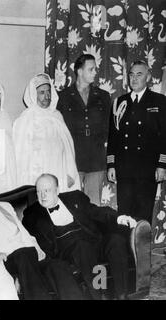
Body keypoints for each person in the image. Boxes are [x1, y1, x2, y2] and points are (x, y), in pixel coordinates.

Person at [0, 168, 84, 300]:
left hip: (28, 257)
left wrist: (39, 252)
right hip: (2, 261)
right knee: (24, 254)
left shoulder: (5, 206)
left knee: (57, 266)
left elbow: (23, 232)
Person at [23, 173, 137, 300]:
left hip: (92, 240)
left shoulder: (74, 197)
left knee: (116, 240)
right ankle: (100, 296)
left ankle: (122, 295)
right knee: (82, 247)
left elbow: (96, 211)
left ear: (57, 190)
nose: (42, 195)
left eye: (47, 190)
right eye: (39, 191)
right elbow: (29, 240)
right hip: (68, 253)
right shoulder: (32, 215)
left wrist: (119, 218)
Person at [107, 60, 166, 222]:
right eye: (131, 74)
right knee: (124, 214)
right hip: (124, 168)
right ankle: (123, 247)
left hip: (147, 168)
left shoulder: (159, 101)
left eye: (139, 74)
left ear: (148, 77)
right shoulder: (120, 102)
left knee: (143, 215)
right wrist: (111, 165)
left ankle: (141, 247)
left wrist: (162, 165)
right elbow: (113, 136)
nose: (134, 78)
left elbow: (164, 137)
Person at [57, 54, 112, 205]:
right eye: (91, 69)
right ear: (79, 71)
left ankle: (93, 230)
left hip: (96, 158)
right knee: (72, 202)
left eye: (95, 69)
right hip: (72, 157)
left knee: (94, 204)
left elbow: (109, 127)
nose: (95, 72)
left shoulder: (103, 96)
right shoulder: (62, 97)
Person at [13, 73, 80, 192]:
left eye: (48, 92)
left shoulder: (56, 116)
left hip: (57, 171)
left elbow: (68, 148)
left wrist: (70, 173)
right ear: (34, 95)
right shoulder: (25, 119)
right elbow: (19, 154)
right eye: (42, 93)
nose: (47, 96)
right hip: (34, 176)